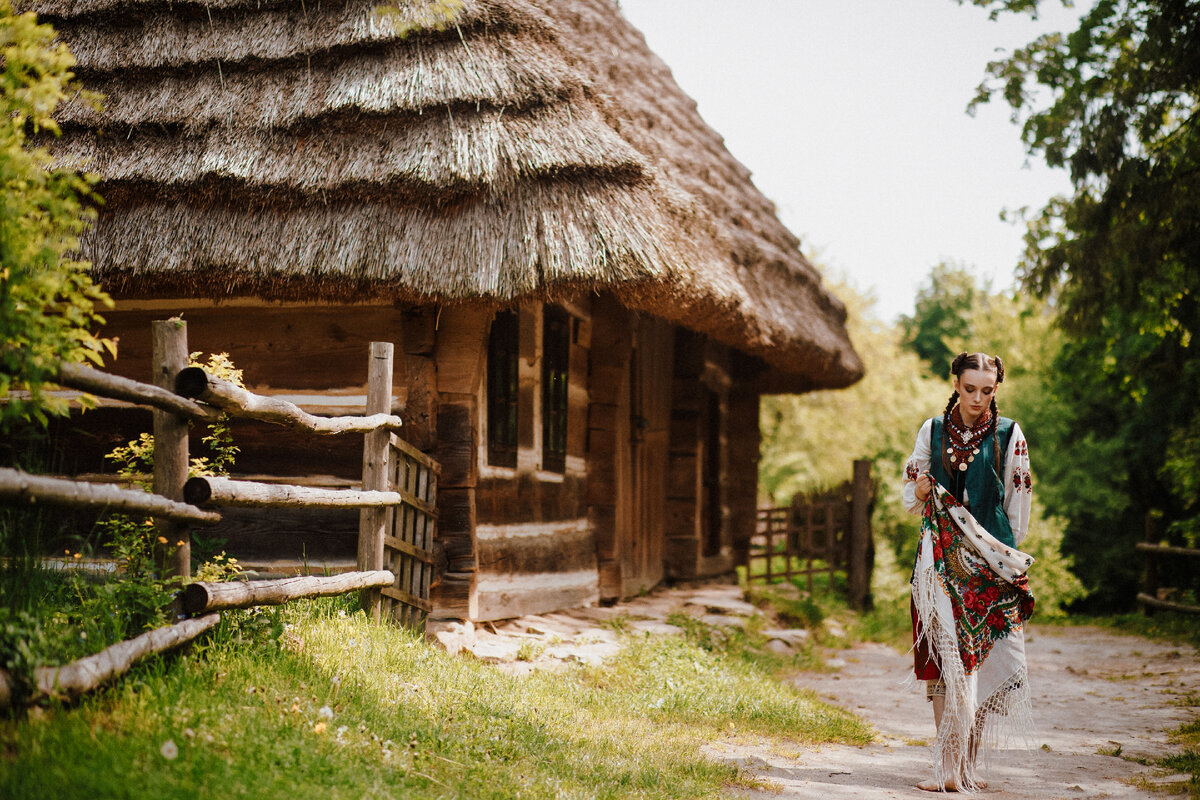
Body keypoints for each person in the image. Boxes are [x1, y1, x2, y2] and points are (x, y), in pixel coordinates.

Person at [902, 352, 1036, 792]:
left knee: (979, 660)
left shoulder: (1008, 433)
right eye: (970, 388)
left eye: (987, 390)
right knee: (945, 661)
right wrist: (920, 488)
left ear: (995, 388)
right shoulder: (933, 430)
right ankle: (944, 765)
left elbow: (1018, 505)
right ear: (956, 384)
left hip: (987, 563)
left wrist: (1005, 564)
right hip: (938, 559)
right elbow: (909, 491)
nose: (978, 398)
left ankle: (966, 766)